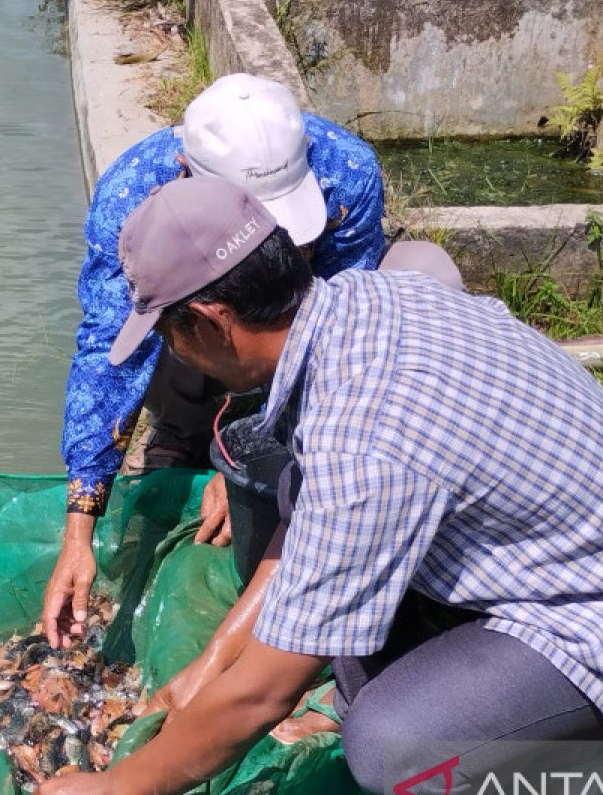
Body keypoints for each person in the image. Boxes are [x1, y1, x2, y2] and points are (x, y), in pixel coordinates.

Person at [35, 177, 603, 795]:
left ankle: (595, 756)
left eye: (167, 334)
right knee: (301, 528)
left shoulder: (367, 434)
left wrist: (125, 785)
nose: (173, 355)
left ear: (213, 321)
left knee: (390, 745)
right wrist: (211, 662)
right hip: (571, 553)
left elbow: (261, 698)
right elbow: (308, 520)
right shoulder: (365, 300)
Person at [45, 73, 385, 648]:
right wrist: (80, 527)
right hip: (206, 328)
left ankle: (240, 448)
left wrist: (248, 452)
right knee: (159, 331)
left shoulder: (346, 174)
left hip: (289, 321)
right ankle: (181, 432)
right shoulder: (133, 193)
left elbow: (331, 330)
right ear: (184, 167)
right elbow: (109, 351)